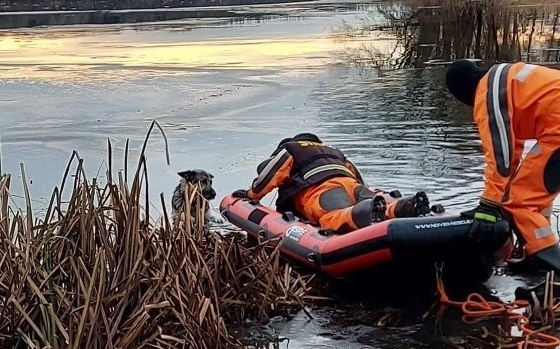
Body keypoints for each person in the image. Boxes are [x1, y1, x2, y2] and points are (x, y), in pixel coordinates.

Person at [445, 58, 560, 271]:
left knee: (520, 202)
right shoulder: (505, 80)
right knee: (533, 198)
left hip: (557, 132)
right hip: (554, 129)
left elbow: (499, 156)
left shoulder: (486, 94)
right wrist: (499, 196)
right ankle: (537, 255)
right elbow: (512, 151)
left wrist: (488, 204)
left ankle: (553, 266)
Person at [231, 133, 431, 233]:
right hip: (352, 185)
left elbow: (269, 176)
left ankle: (368, 212)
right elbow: (360, 179)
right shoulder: (334, 151)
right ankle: (404, 207)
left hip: (321, 190)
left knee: (333, 216)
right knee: (379, 203)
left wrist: (251, 195)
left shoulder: (290, 149)